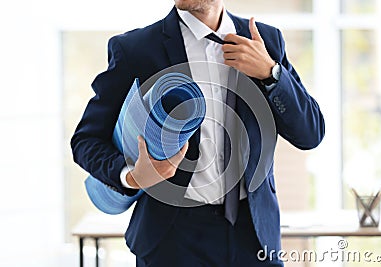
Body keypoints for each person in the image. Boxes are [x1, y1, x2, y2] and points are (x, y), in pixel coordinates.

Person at [71, 0, 325, 266]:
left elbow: (310, 133)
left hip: (254, 237)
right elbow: (86, 140)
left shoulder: (265, 41)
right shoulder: (137, 49)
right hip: (172, 240)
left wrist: (271, 73)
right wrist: (132, 176)